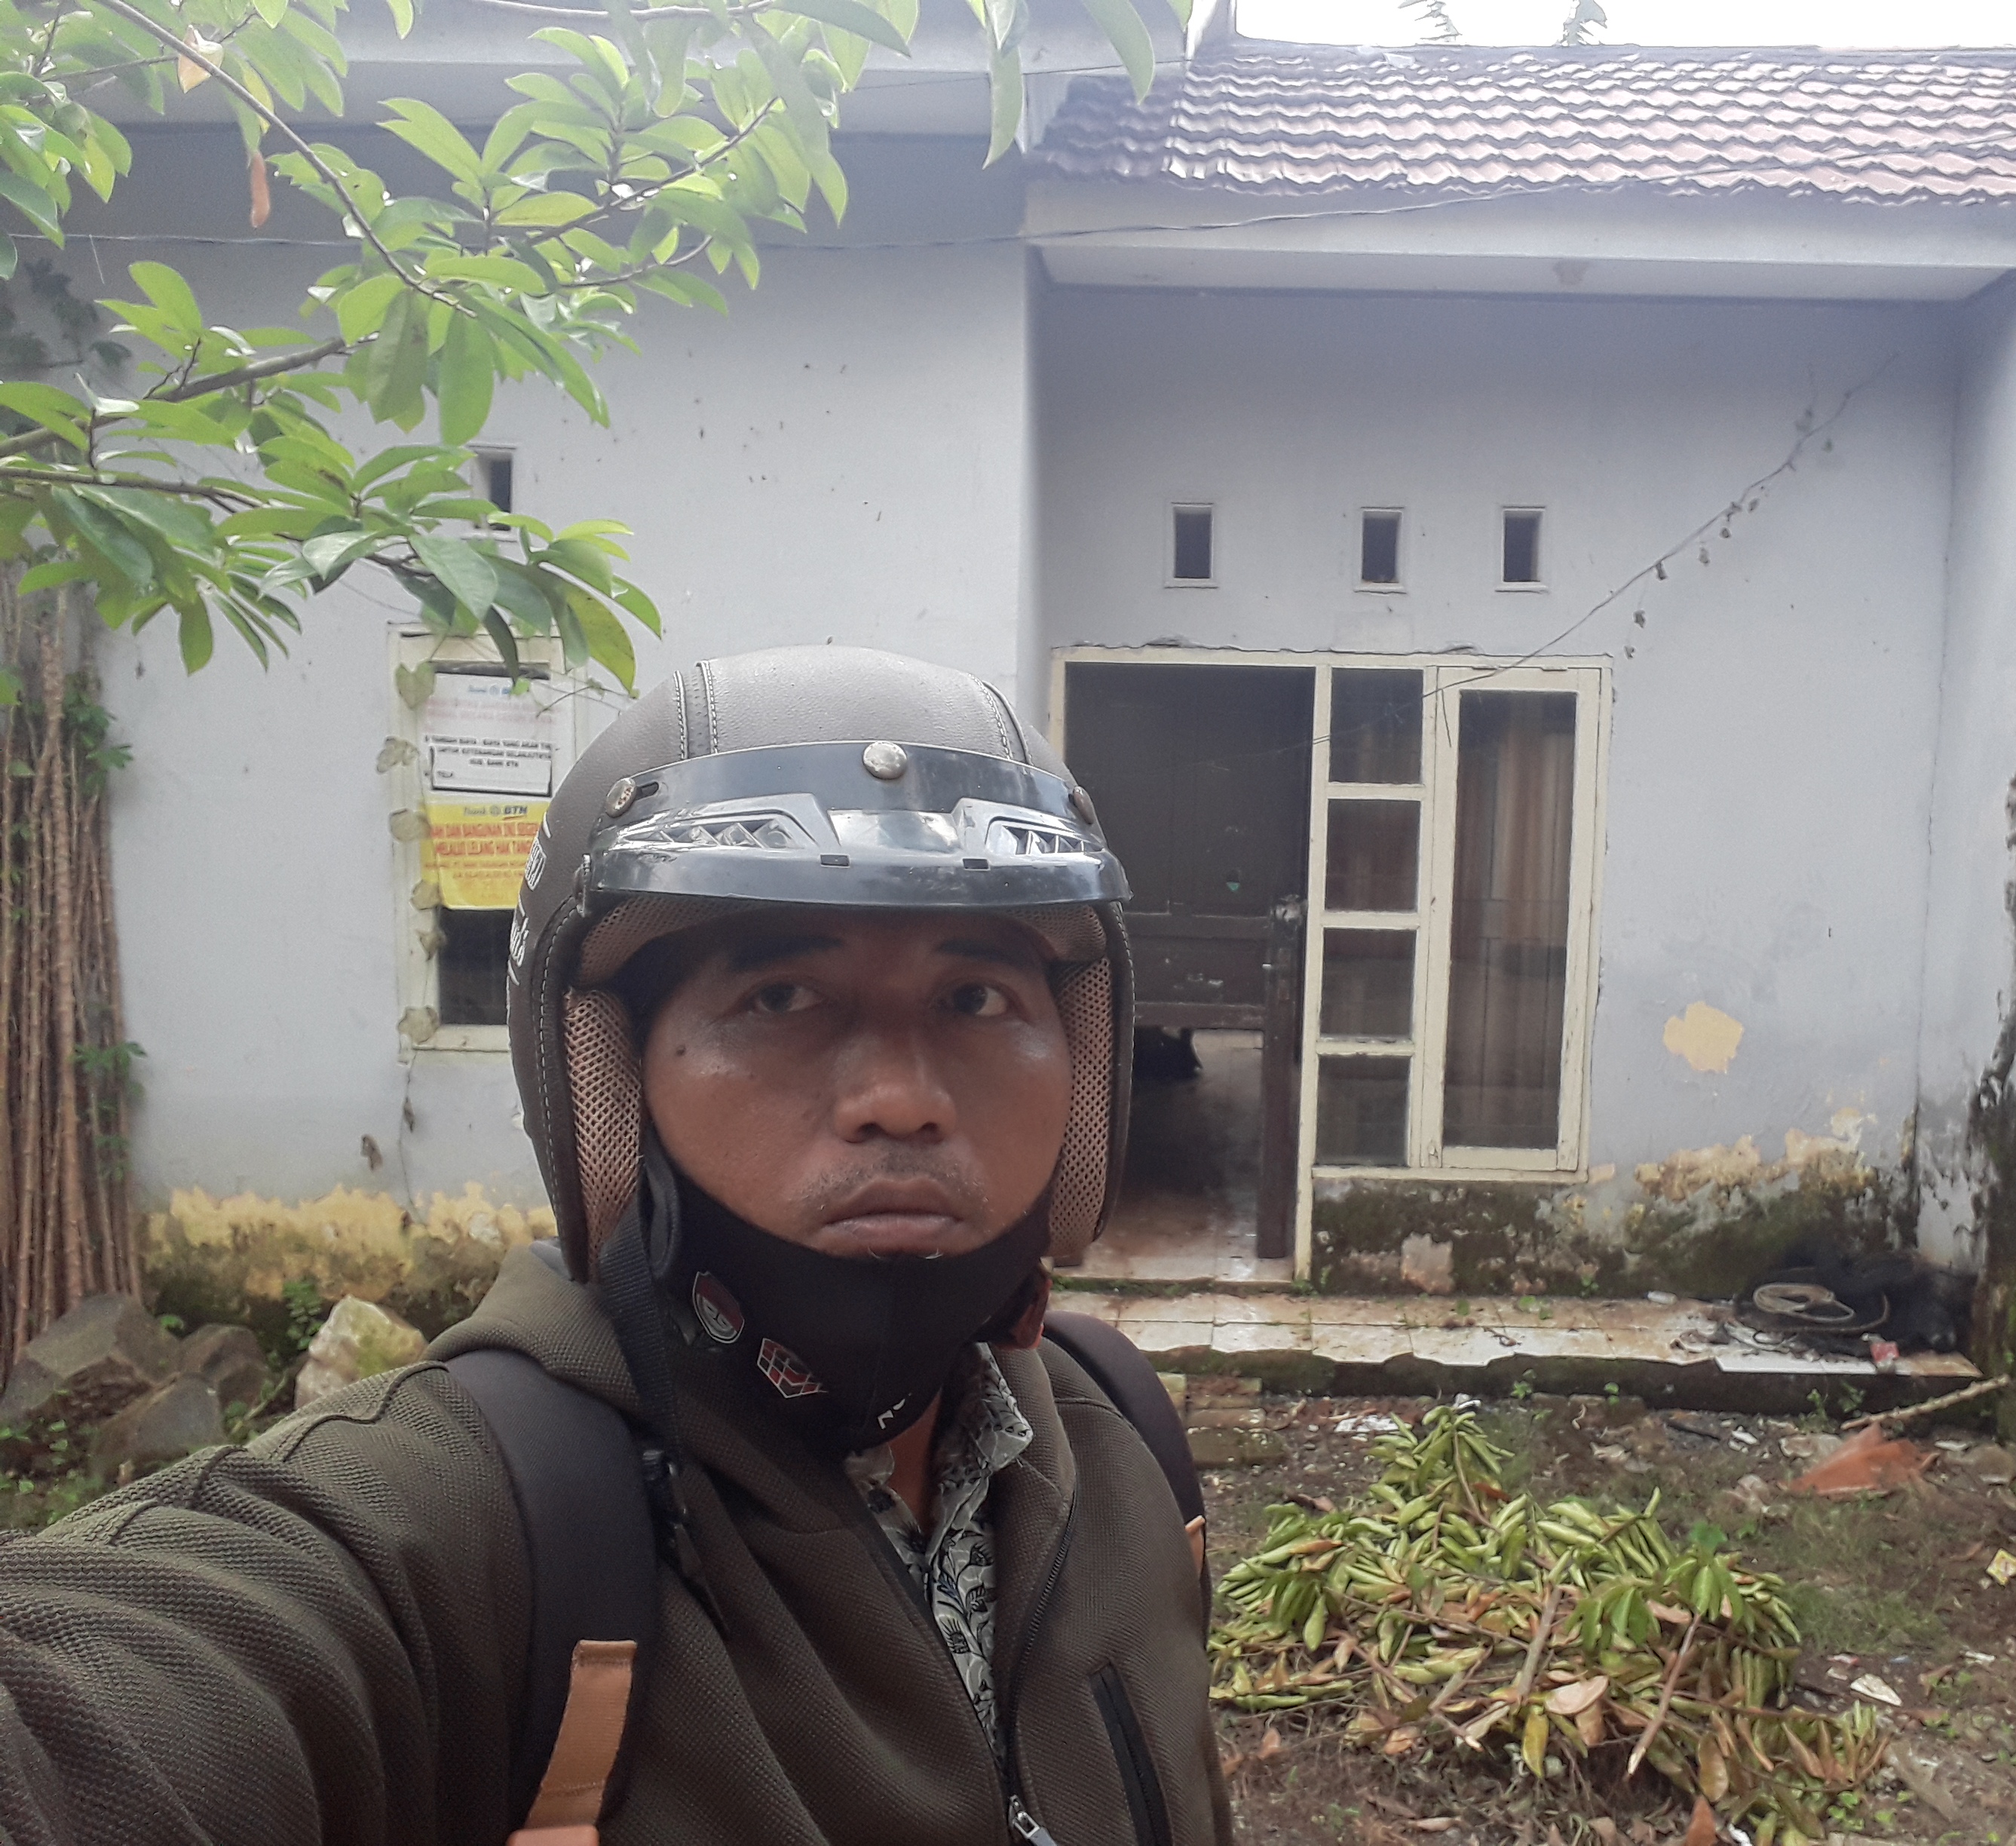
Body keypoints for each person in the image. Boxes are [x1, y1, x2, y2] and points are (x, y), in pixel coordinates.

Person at [0, 645, 1229, 1846]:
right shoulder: (460, 1534)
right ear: (609, 1086)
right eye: (781, 998)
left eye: (976, 999)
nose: (900, 1098)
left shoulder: (1122, 1448)